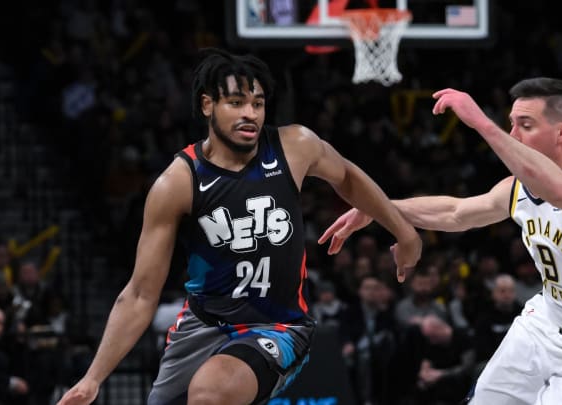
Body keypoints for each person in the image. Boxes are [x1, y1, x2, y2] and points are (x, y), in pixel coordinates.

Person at [56, 48, 422, 405]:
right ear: (207, 106)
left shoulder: (294, 146)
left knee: (211, 394)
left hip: (277, 327)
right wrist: (92, 379)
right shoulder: (178, 182)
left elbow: (348, 178)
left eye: (258, 104)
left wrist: (403, 231)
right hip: (203, 325)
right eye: (235, 103)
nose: (250, 114)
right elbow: (139, 294)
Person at [320, 78, 562, 404]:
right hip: (544, 324)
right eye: (510, 124)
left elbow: (560, 191)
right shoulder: (517, 189)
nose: (512, 134)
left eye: (525, 125)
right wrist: (379, 210)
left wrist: (481, 123)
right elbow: (457, 213)